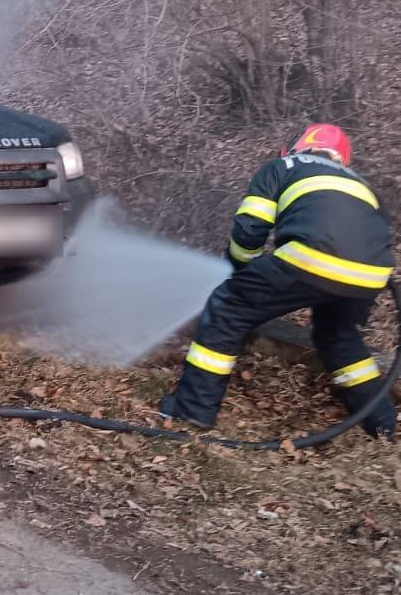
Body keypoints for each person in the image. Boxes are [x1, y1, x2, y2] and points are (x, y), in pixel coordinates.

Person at [160, 123, 397, 437]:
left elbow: (250, 229)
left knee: (227, 310)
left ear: (298, 146)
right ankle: (381, 424)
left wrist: (238, 271)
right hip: (371, 275)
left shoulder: (283, 167)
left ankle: (192, 410)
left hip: (312, 256)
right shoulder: (362, 185)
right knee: (338, 335)